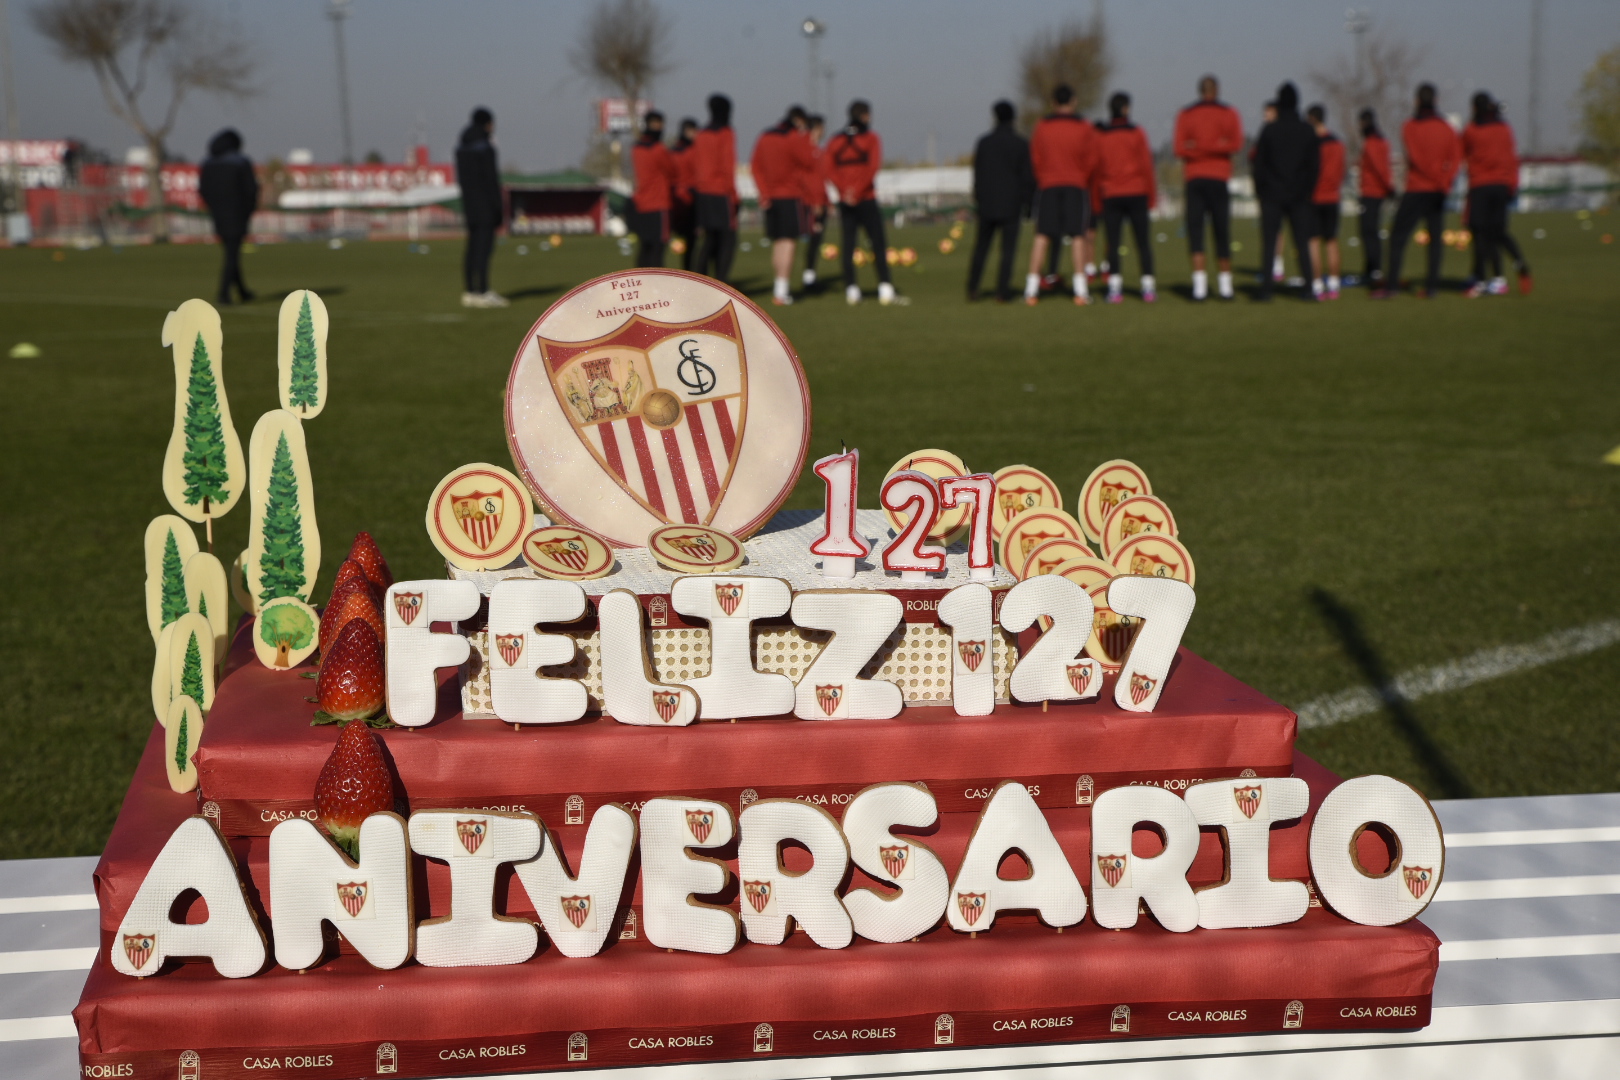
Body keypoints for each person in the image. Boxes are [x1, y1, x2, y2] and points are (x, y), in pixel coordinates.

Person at [1380, 83, 1461, 298]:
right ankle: (1432, 286)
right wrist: (1444, 181)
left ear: (1417, 101)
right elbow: (1454, 159)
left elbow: (1414, 157)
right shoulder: (1447, 128)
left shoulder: (1409, 127)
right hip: (1438, 190)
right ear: (1436, 101)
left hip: (1417, 188)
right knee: (1435, 239)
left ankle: (1392, 286)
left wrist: (1432, 177)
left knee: (1398, 237)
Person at [1023, 84, 1097, 305]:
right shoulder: (1084, 126)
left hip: (1048, 186)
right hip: (1075, 185)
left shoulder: (1042, 126)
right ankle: (1081, 291)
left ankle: (1031, 291)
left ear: (1054, 103)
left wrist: (1044, 177)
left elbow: (1035, 157)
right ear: (1073, 101)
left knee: (1042, 235)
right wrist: (1082, 177)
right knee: (1077, 236)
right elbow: (1092, 158)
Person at [1174, 75, 1243, 300]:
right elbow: (1234, 144)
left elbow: (1182, 148)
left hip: (1195, 176)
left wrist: (1198, 148)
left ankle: (1200, 287)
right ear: (1217, 90)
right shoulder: (1228, 113)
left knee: (1197, 232)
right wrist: (1216, 146)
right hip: (1218, 176)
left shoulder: (1186, 114)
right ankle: (1225, 286)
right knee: (1221, 231)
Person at [1252, 83, 1318, 300]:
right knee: (1302, 242)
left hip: (1272, 194)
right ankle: (1308, 287)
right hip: (1299, 195)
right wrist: (1307, 189)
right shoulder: (1306, 130)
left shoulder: (1270, 130)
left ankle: (1266, 289)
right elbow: (1314, 165)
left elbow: (1259, 163)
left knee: (1269, 243)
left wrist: (1261, 189)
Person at [1463, 92, 1532, 296]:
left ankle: (1482, 279)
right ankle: (1516, 269)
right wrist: (1513, 184)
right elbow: (1512, 158)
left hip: (1481, 186)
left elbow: (1463, 152)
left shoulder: (1472, 130)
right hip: (1501, 186)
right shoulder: (1504, 128)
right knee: (1498, 232)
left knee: (1480, 234)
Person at [827, 99, 895, 305]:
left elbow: (828, 168)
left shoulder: (835, 140)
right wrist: (857, 191)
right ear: (865, 115)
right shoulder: (871, 138)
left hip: (846, 200)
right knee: (877, 242)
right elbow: (873, 167)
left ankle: (851, 289)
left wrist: (843, 191)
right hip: (866, 198)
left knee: (848, 244)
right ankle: (885, 286)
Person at [1095, 91, 1157, 303]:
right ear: (1126, 109)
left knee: (1113, 243)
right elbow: (1146, 165)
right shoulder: (1136, 133)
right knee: (1143, 242)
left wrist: (1096, 197)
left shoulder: (1102, 136)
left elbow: (1098, 168)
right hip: (1137, 191)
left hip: (1111, 194)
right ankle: (1148, 287)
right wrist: (1152, 195)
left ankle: (1114, 289)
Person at [968, 99, 1033, 302]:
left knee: (981, 248)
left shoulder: (984, 143)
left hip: (987, 203)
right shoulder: (1020, 144)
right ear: (1013, 118)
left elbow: (977, 173)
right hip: (1011, 204)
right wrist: (1028, 203)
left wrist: (978, 197)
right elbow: (1027, 177)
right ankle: (1002, 291)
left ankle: (972, 287)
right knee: (1008, 251)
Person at [750, 104, 814, 305]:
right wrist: (806, 138)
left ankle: (779, 288)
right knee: (788, 243)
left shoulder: (765, 137)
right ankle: (782, 291)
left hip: (771, 198)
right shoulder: (794, 138)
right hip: (790, 196)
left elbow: (755, 166)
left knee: (778, 243)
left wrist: (764, 192)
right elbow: (808, 161)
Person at [198, 128, 259, 305]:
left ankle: (242, 291)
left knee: (231, 252)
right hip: (237, 213)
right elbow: (251, 190)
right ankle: (224, 293)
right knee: (232, 254)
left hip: (218, 214)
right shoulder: (240, 162)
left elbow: (203, 190)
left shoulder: (208, 163)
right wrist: (248, 210)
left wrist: (214, 206)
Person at [455, 107, 507, 308]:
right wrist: (498, 208)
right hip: (485, 206)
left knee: (471, 249)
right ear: (487, 123)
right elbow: (491, 180)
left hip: (469, 205)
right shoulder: (486, 147)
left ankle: (470, 291)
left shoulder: (461, 147)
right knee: (484, 249)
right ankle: (484, 291)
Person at [692, 94, 738, 283]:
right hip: (721, 192)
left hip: (703, 193)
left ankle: (700, 280)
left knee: (709, 240)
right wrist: (734, 197)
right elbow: (727, 166)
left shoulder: (701, 135)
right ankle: (721, 281)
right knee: (728, 240)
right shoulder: (726, 133)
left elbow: (696, 164)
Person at [1306, 104, 1344, 299]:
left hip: (1314, 197)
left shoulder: (1311, 144)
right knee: (1331, 241)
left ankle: (1317, 284)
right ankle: (1335, 284)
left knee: (1313, 242)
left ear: (1312, 119)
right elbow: (1341, 171)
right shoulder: (1337, 144)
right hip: (1333, 196)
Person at [629, 110, 676, 269]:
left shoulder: (636, 149)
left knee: (645, 247)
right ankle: (656, 283)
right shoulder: (658, 149)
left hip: (641, 203)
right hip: (658, 203)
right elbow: (671, 171)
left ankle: (641, 281)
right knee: (658, 247)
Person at [1357, 108, 1392, 289]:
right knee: (1371, 231)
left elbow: (1379, 168)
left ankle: (1374, 269)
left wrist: (1388, 186)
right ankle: (1371, 268)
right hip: (1377, 192)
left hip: (1371, 192)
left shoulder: (1371, 143)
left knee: (1368, 231)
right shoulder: (1382, 141)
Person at [802, 114, 829, 288]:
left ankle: (810, 276)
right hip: (809, 203)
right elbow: (808, 180)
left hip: (820, 201)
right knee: (812, 239)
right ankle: (808, 279)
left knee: (816, 240)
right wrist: (815, 202)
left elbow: (821, 179)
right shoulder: (805, 151)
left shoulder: (819, 151)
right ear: (817, 128)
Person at [669, 118, 699, 271]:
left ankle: (686, 272)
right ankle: (689, 272)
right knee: (691, 240)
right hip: (688, 199)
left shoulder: (673, 150)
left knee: (686, 240)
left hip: (678, 198)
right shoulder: (691, 151)